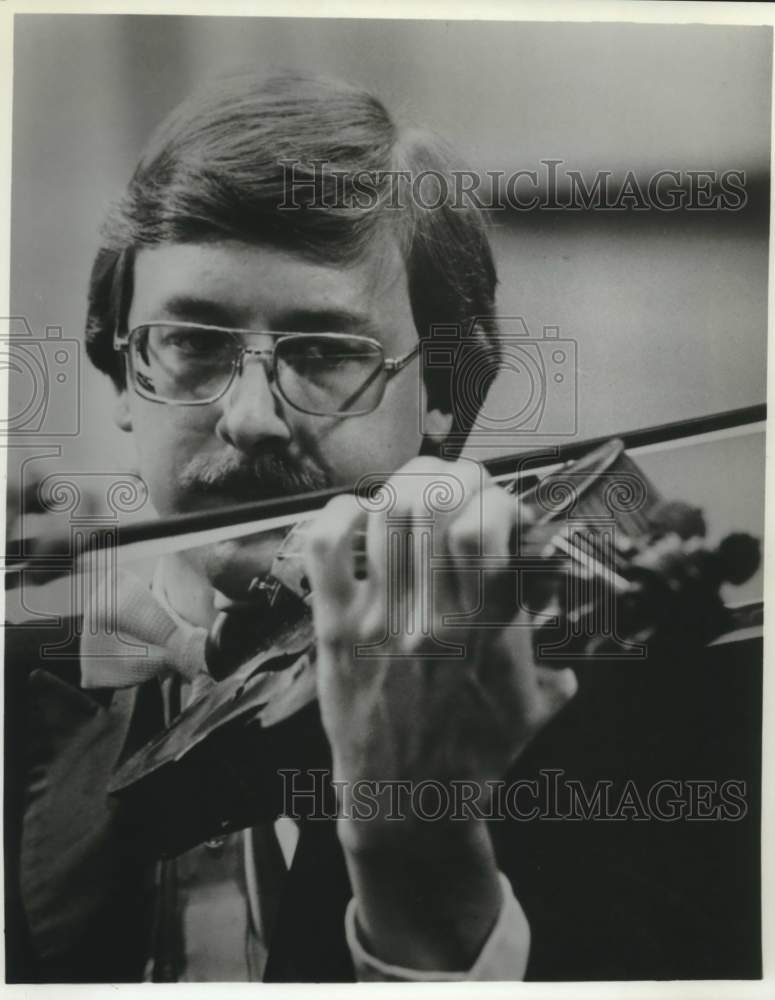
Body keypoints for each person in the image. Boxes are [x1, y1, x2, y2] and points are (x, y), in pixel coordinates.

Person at [4, 69, 762, 983]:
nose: (250, 417)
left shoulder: (652, 745)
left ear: (441, 393)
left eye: (324, 353)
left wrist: (419, 854)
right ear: (124, 376)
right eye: (193, 344)